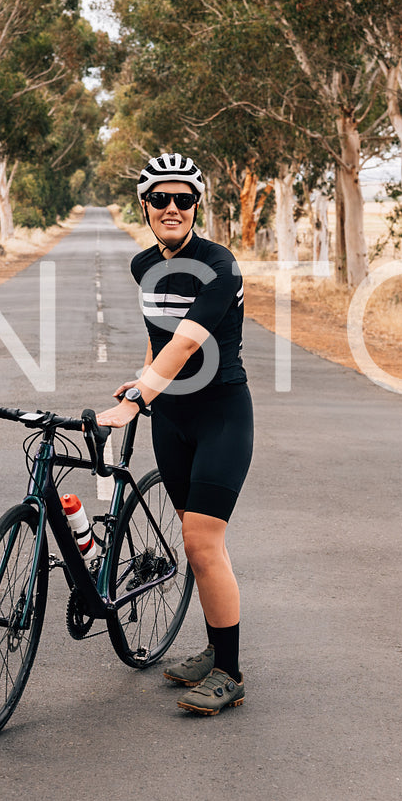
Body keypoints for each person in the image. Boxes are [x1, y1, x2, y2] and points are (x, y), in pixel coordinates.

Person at [97, 152, 252, 716]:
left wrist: (141, 396)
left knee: (204, 543)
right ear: (144, 206)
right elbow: (159, 339)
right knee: (192, 541)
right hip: (173, 419)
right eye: (159, 198)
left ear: (196, 206)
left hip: (221, 416)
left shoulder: (220, 265)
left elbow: (187, 342)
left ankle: (230, 672)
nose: (171, 207)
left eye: (182, 198)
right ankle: (215, 651)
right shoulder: (143, 266)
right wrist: (144, 381)